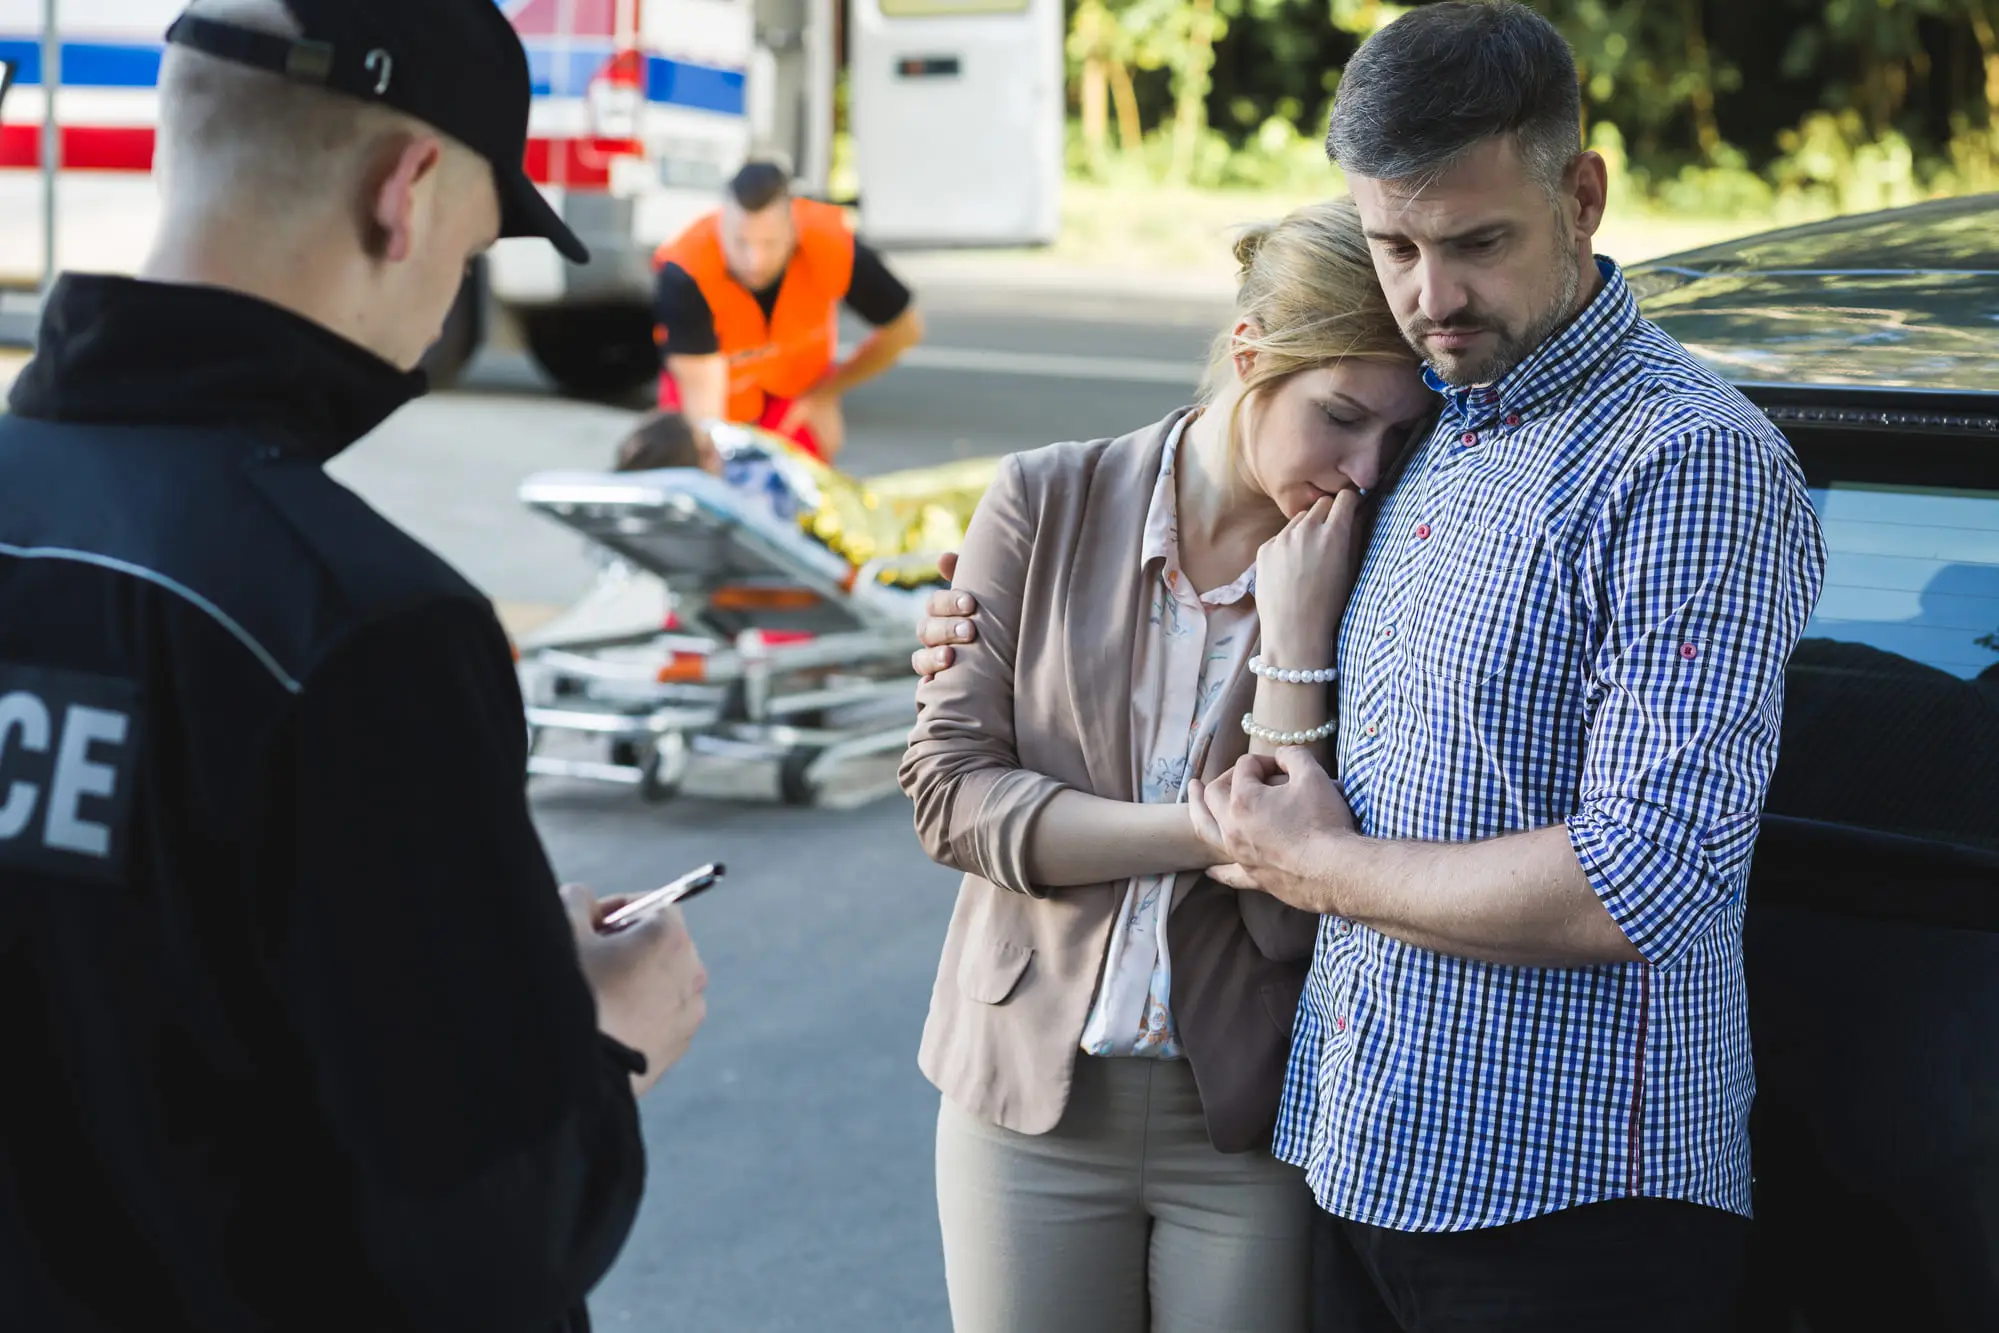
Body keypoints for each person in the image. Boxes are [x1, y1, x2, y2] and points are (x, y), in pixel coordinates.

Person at [912, 5, 1828, 1329]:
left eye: (1474, 243)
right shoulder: (1436, 420)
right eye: (1394, 246)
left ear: (1581, 197)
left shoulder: (1677, 461)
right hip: (1355, 1164)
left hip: (1559, 1209)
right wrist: (968, 617)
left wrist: (1311, 864)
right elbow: (1244, 456)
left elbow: (1649, 875)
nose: (1429, 297)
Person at [0, 3, 706, 1330]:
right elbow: (492, 1228)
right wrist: (604, 1042)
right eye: (476, 244)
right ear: (409, 190)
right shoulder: (364, 627)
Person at [897, 196, 1434, 1333]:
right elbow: (951, 799)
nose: (1361, 472)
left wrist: (1295, 646)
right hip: (1024, 1105)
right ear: (1250, 355)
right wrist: (1217, 835)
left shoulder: (1381, 565)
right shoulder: (1042, 498)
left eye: (1398, 439)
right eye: (1340, 417)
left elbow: (1298, 917)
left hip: (1247, 1123)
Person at [652, 159, 926, 463]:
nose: (754, 261)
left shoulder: (833, 246)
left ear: (792, 228)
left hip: (795, 392)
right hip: (712, 395)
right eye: (740, 242)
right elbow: (705, 408)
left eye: (769, 243)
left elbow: (904, 330)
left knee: (807, 468)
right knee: (692, 456)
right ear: (721, 225)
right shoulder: (686, 269)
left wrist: (826, 393)